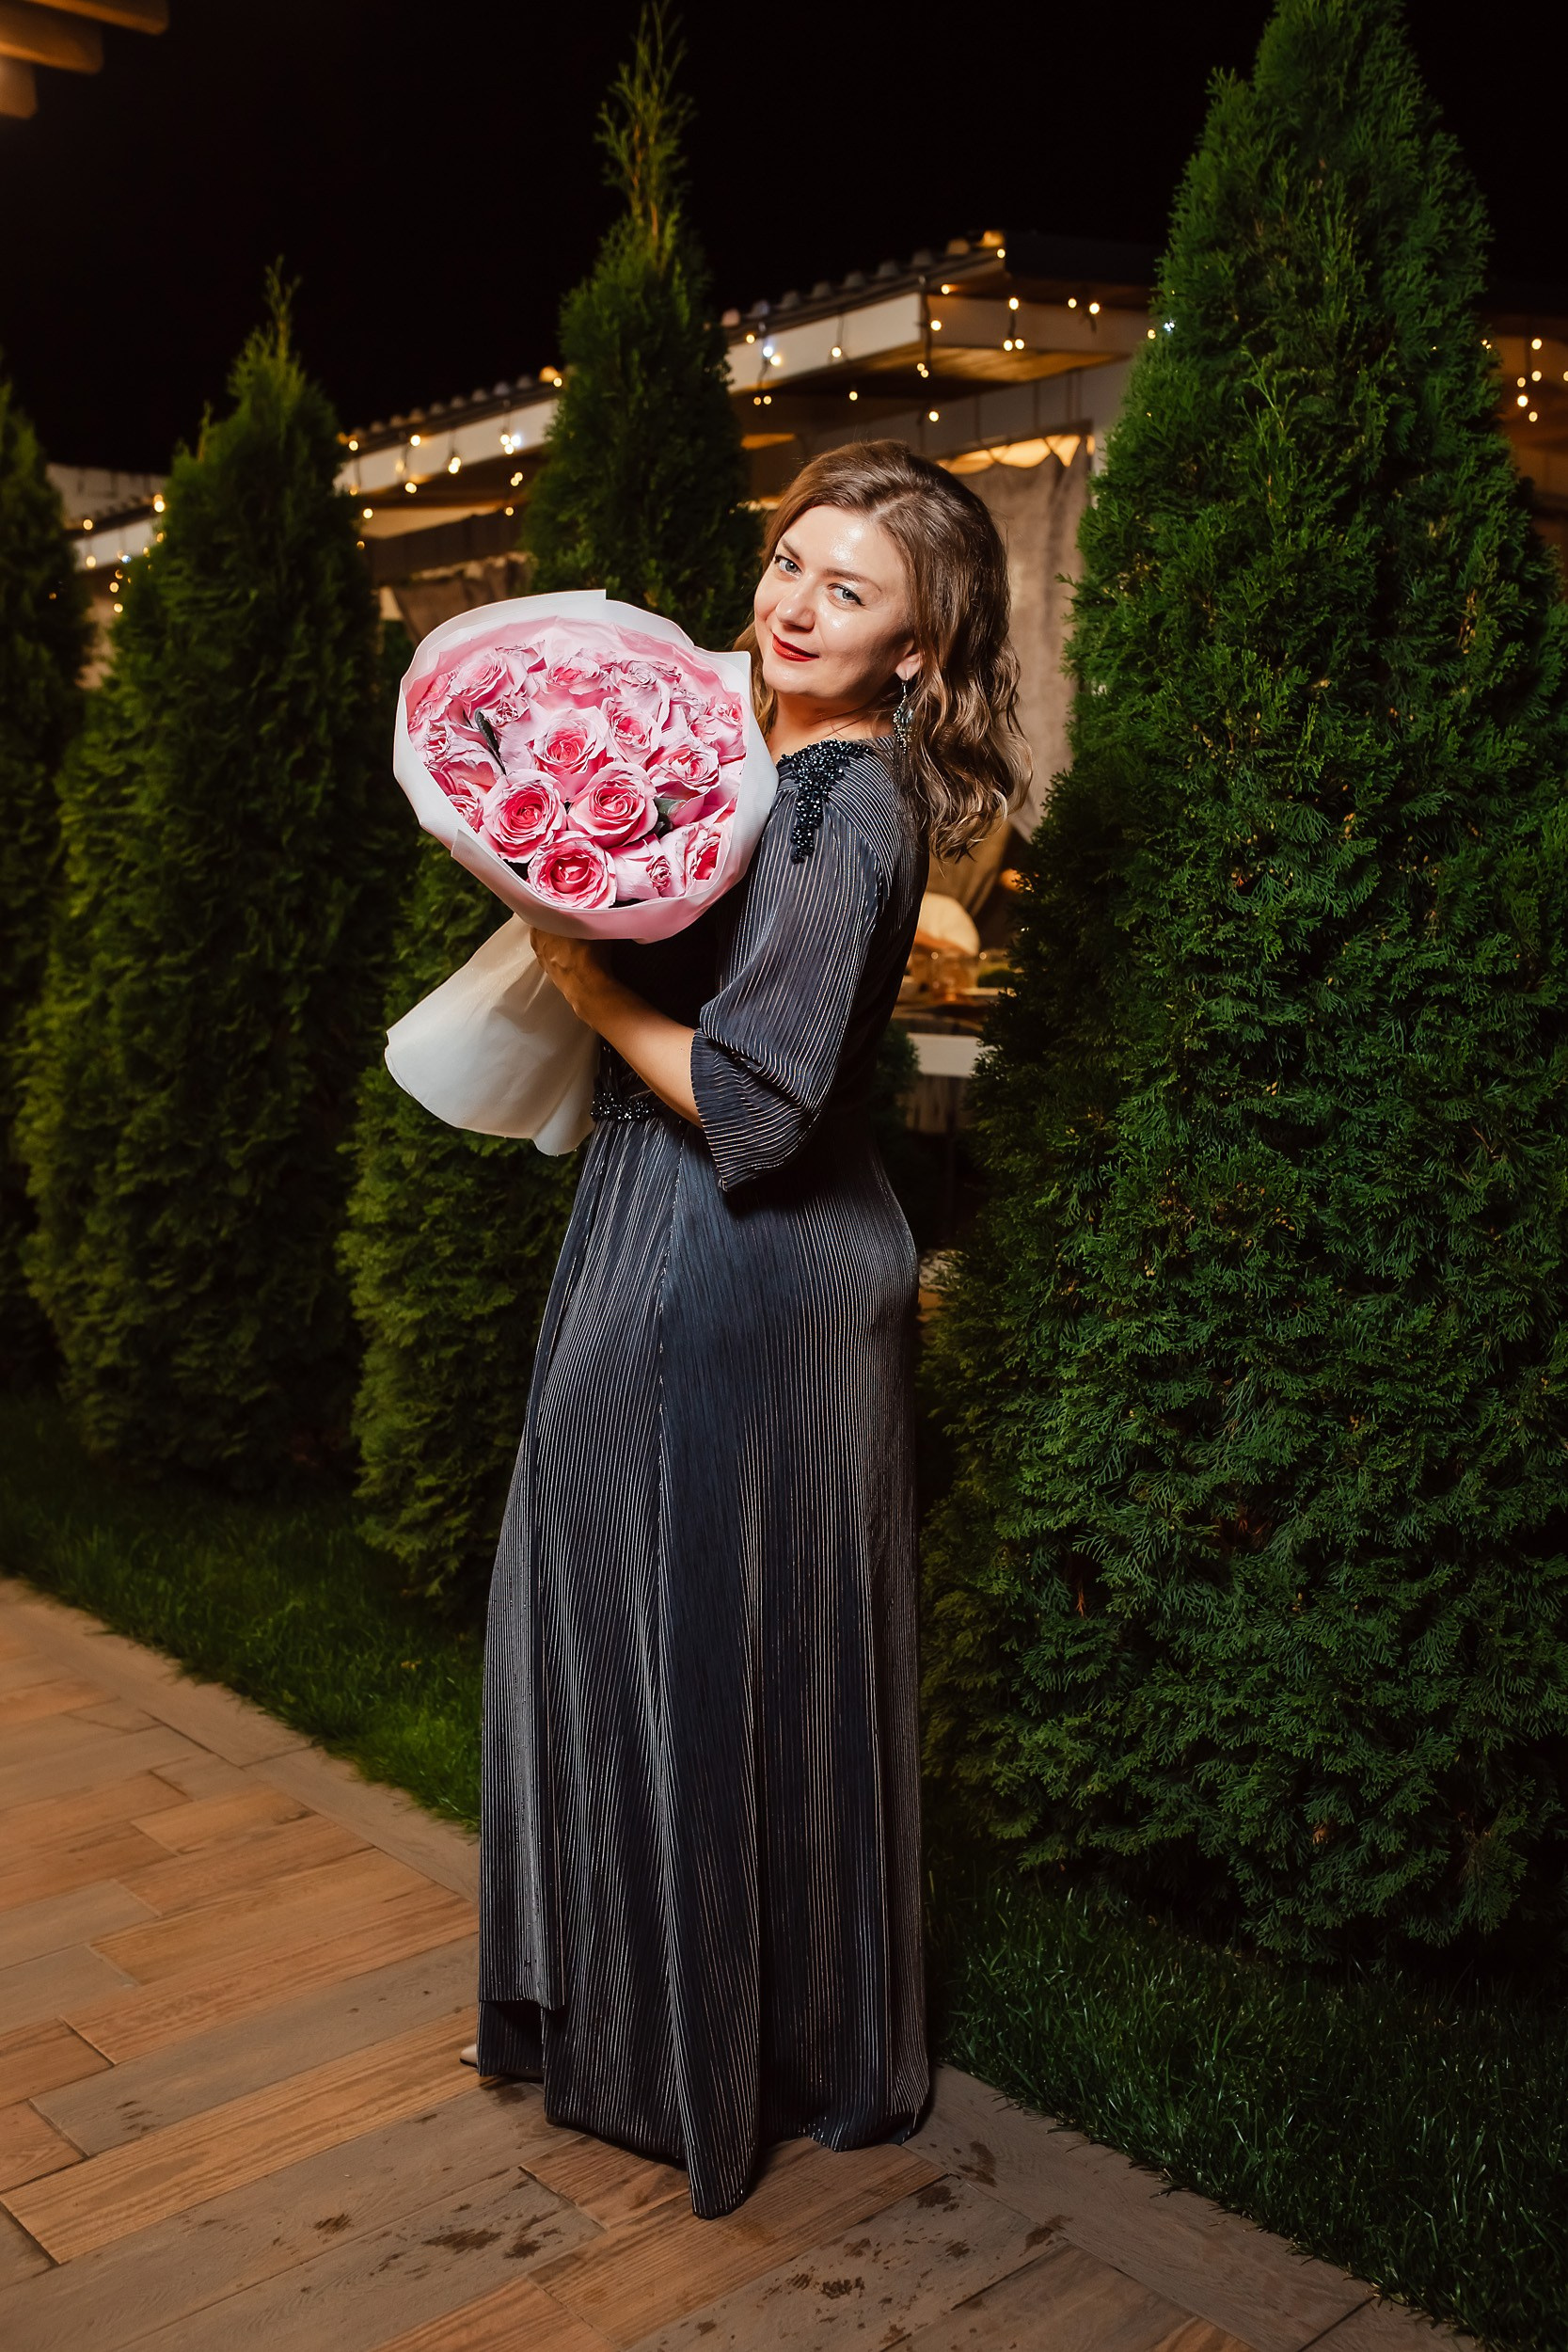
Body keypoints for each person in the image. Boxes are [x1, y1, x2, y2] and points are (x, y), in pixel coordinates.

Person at [473, 439, 1026, 2219]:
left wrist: (584, 979)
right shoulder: (756, 756)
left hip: (743, 1258)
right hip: (692, 1234)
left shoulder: (843, 805)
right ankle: (692, 2025)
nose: (796, 603)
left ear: (915, 650)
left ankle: (696, 2056)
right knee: (659, 1614)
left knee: (689, 1634)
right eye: (794, 559)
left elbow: (761, 1108)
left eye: (849, 591)